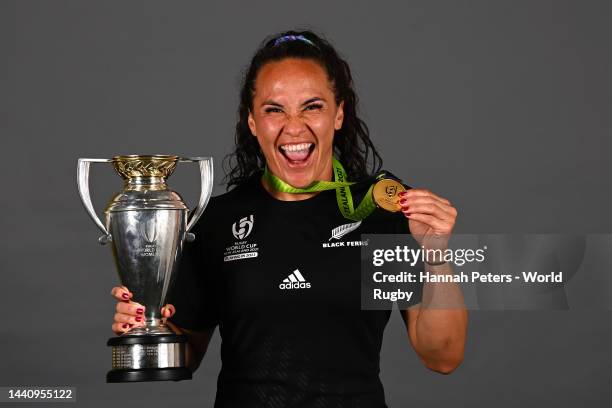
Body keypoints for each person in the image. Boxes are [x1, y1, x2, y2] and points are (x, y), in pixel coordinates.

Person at [110, 30, 467, 407]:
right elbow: (186, 356)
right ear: (252, 122)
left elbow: (442, 357)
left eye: (312, 106)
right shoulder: (216, 220)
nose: (294, 127)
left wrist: (436, 256)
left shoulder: (383, 211)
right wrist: (146, 323)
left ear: (339, 113)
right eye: (274, 109)